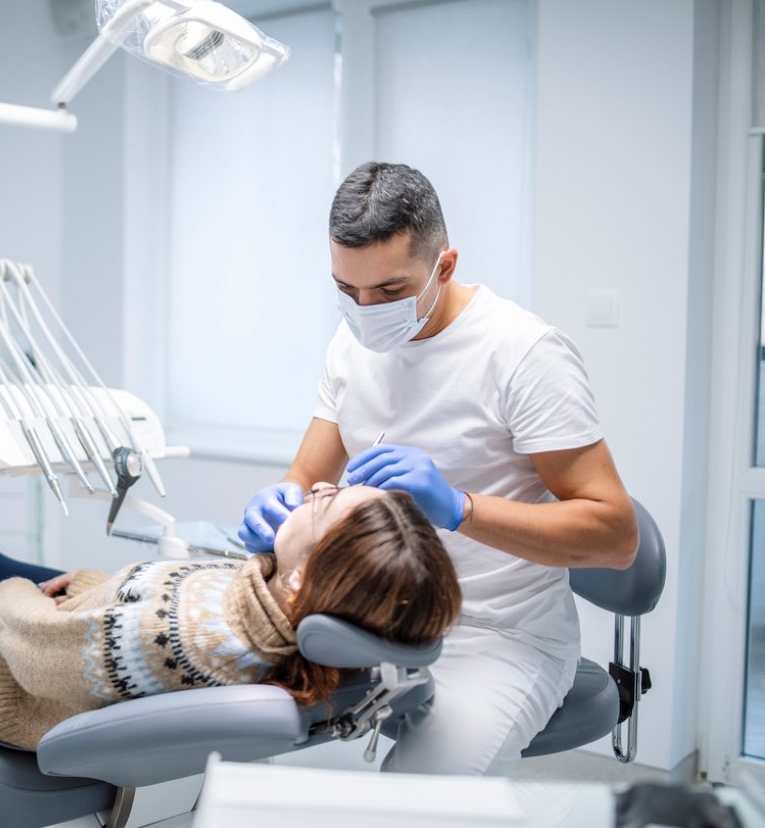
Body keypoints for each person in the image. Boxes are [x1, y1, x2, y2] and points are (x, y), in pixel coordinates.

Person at [236, 162, 639, 776]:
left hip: (500, 636)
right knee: (206, 695)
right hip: (373, 617)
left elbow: (616, 537)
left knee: (411, 803)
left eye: (390, 291)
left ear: (444, 266)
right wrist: (281, 502)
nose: (366, 310)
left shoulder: (523, 354)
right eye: (348, 291)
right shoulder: (351, 348)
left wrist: (459, 507)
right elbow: (302, 475)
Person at [0, 485, 461, 751]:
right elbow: (157, 596)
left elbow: (43, 650)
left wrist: (23, 594)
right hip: (91, 629)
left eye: (326, 506)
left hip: (10, 673)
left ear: (301, 582)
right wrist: (91, 588)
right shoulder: (278, 605)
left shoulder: (185, 633)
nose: (316, 488)